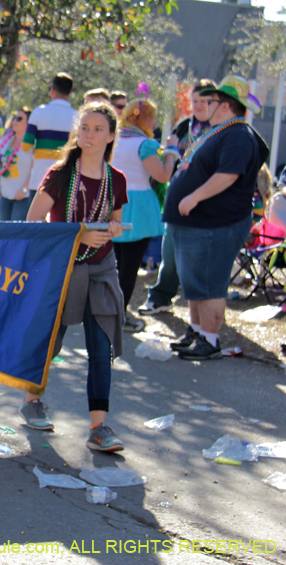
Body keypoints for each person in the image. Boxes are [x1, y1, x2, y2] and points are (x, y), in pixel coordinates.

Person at [23, 102, 129, 452]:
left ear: (111, 135)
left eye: (98, 129)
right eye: (84, 127)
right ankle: (31, 400)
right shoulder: (59, 173)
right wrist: (77, 235)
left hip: (101, 270)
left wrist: (111, 229)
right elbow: (32, 225)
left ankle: (99, 427)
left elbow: (114, 221)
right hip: (63, 270)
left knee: (101, 348)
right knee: (52, 341)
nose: (89, 134)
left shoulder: (118, 179)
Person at [163, 75, 267, 360]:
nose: (202, 105)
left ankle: (209, 339)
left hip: (216, 223)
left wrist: (194, 196)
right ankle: (196, 332)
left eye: (209, 100)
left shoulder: (237, 134)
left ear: (223, 104)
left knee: (209, 284)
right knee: (195, 283)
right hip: (196, 223)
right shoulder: (220, 131)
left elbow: (228, 174)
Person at [139, 80, 215, 316]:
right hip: (177, 198)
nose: (200, 106)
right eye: (195, 101)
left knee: (202, 260)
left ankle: (203, 312)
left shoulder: (220, 128)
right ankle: (161, 296)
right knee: (170, 252)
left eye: (205, 101)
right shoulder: (183, 126)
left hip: (207, 202)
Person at [110, 94, 173, 332]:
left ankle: (108, 312)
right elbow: (163, 176)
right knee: (129, 267)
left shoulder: (114, 140)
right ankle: (119, 316)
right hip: (139, 208)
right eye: (152, 118)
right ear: (144, 119)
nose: (155, 123)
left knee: (114, 263)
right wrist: (171, 153)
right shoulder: (146, 145)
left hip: (115, 203)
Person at [21, 73, 78, 210]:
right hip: (66, 180)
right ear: (69, 93)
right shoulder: (77, 116)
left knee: (35, 226)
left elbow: (26, 146)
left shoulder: (39, 112)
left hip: (39, 179)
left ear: (52, 90)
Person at [0, 107, 34, 221]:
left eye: (19, 118)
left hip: (23, 197)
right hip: (5, 195)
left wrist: (24, 190)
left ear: (29, 123)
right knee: (4, 232)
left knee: (17, 232)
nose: (15, 121)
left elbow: (36, 169)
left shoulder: (32, 143)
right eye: (14, 118)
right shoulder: (6, 140)